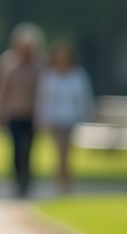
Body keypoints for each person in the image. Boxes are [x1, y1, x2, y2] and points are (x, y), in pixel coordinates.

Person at [0, 22, 45, 198]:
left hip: (34, 114)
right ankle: (18, 180)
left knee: (30, 150)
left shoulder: (41, 64)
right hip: (13, 113)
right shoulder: (7, 62)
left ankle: (27, 179)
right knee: (16, 148)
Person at [35, 40, 94, 193]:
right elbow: (43, 99)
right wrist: (42, 118)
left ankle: (63, 181)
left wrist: (86, 115)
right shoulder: (48, 75)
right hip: (54, 120)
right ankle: (62, 182)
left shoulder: (78, 75)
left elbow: (84, 98)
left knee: (66, 152)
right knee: (61, 151)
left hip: (72, 119)